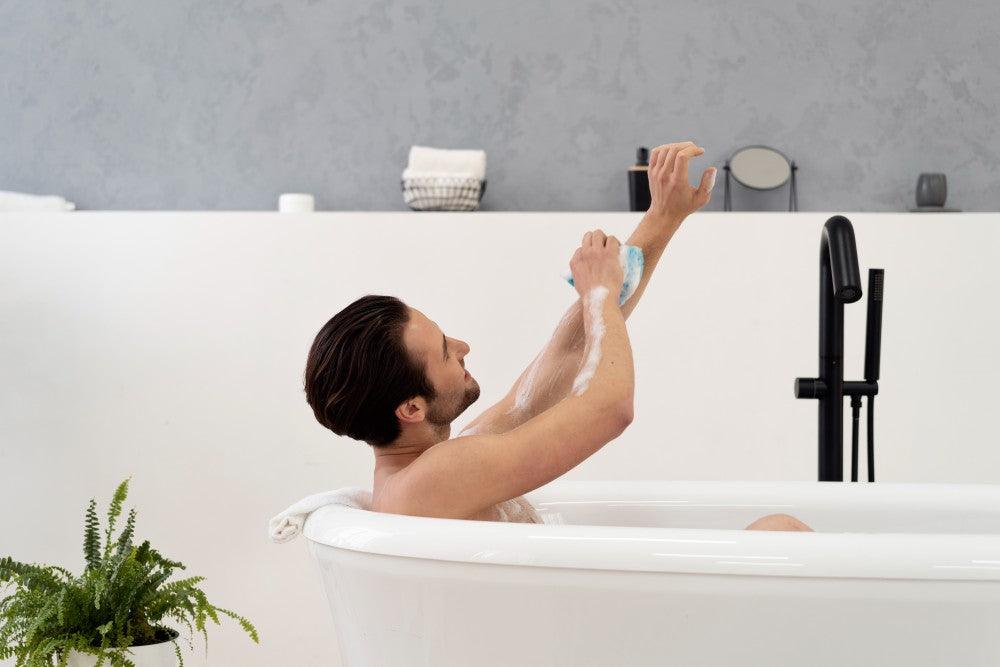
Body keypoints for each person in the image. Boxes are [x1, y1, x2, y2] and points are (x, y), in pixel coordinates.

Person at [303, 141, 813, 531]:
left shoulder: (436, 469)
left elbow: (569, 353)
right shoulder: (433, 481)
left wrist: (663, 217)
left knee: (779, 533)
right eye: (442, 352)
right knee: (782, 534)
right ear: (411, 408)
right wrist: (599, 297)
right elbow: (609, 408)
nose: (462, 346)